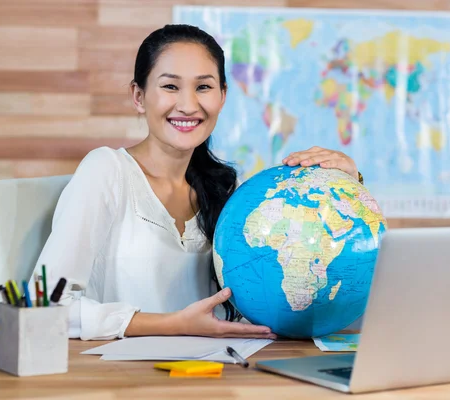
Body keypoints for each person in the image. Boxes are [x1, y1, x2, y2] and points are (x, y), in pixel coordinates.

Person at [32, 24, 360, 341]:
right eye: (170, 86)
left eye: (203, 87)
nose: (188, 105)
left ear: (222, 96)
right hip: (122, 383)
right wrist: (174, 324)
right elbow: (42, 307)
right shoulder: (106, 171)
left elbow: (268, 300)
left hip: (209, 378)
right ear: (138, 96)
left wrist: (347, 187)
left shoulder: (228, 194)